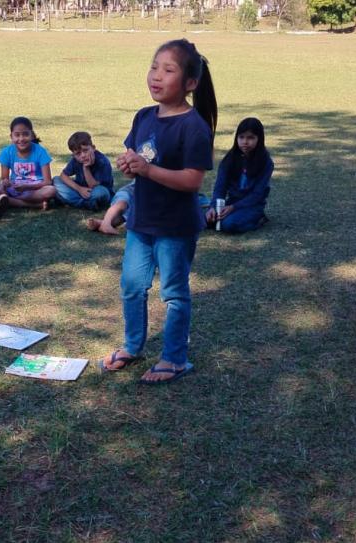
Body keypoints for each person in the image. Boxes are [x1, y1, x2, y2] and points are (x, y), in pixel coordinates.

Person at [99, 38, 217, 385]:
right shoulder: (144, 116)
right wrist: (129, 163)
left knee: (174, 294)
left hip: (176, 226)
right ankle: (133, 346)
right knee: (132, 286)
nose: (157, 76)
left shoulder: (193, 126)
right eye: (154, 67)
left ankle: (175, 359)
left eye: (168, 70)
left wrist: (147, 170)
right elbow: (135, 157)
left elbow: (192, 181)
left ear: (190, 83)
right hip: (141, 220)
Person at [205, 117, 274, 233]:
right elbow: (220, 187)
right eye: (241, 137)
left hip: (252, 205)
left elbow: (257, 194)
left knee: (229, 225)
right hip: (231, 202)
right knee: (205, 219)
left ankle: (259, 219)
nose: (245, 142)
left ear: (259, 139)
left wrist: (233, 208)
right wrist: (213, 207)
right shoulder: (229, 159)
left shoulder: (266, 162)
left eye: (250, 138)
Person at [0, 116, 56, 210]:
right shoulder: (6, 152)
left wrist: (27, 186)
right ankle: (34, 205)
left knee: (51, 190)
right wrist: (6, 183)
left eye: (25, 134)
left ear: (31, 135)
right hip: (15, 188)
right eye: (17, 135)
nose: (21, 139)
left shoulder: (41, 151)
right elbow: (4, 179)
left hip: (35, 189)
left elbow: (48, 181)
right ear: (11, 136)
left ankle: (12, 200)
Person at [53, 131, 113, 211]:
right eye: (78, 153)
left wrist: (86, 168)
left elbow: (93, 186)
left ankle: (70, 200)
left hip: (97, 190)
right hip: (80, 190)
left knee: (100, 193)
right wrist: (79, 189)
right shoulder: (75, 160)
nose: (83, 155)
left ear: (93, 148)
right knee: (56, 180)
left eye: (85, 150)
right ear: (73, 155)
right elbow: (63, 175)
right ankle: (86, 203)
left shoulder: (103, 161)